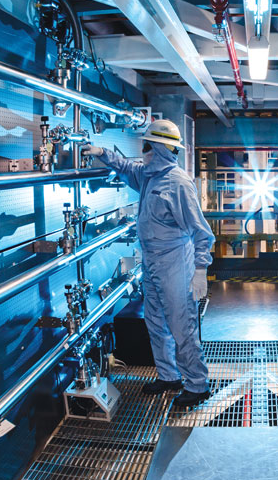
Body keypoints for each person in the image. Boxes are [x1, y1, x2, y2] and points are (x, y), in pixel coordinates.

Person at [83, 119, 213, 409]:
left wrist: (201, 270)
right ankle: (169, 376)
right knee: (155, 322)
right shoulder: (149, 175)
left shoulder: (178, 183)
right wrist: (103, 154)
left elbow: (201, 231)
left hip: (175, 262)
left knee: (182, 326)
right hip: (152, 262)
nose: (142, 151)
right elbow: (128, 168)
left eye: (146, 146)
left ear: (157, 147)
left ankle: (197, 385)